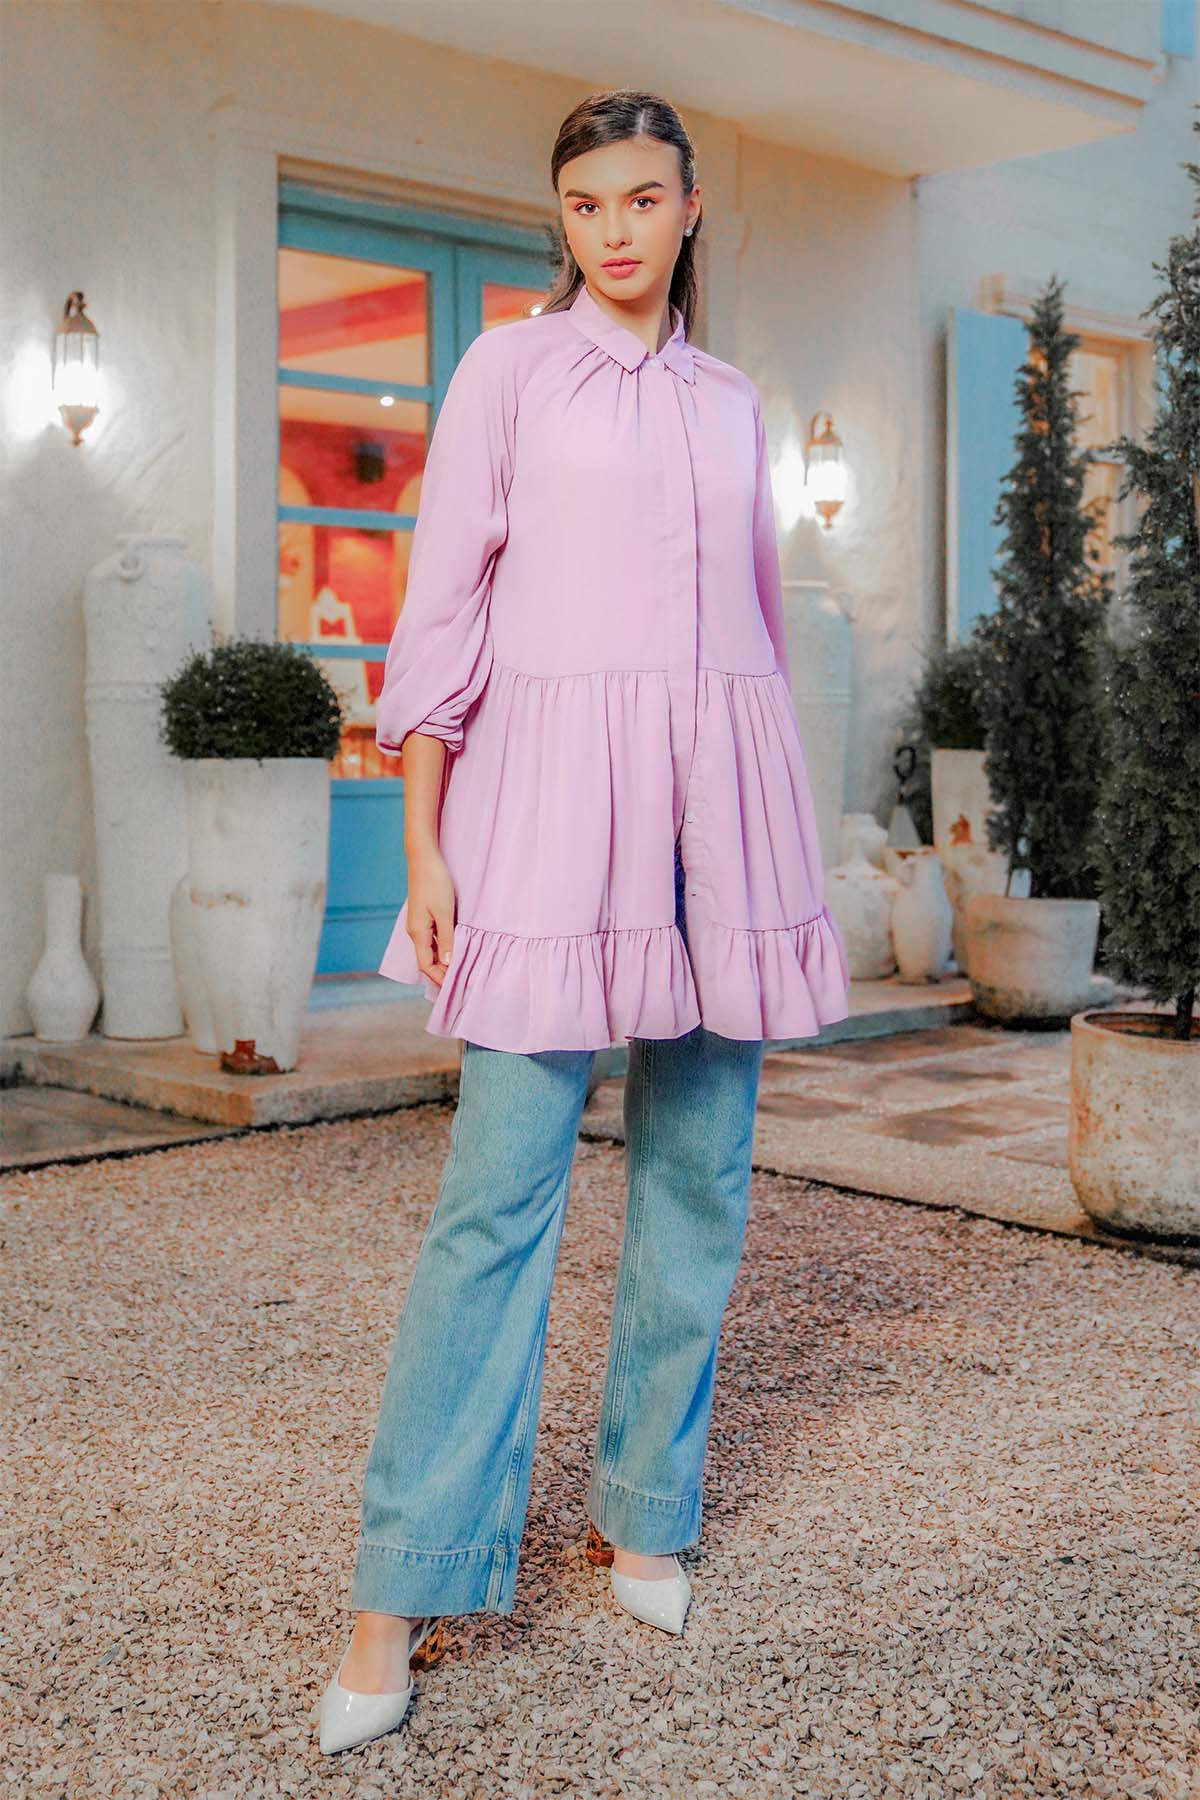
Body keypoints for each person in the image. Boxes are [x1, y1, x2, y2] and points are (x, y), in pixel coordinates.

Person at [318, 87, 849, 1757]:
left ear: (690, 210)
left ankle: (645, 1510)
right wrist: (426, 842)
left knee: (701, 1169)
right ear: (562, 221)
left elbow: (756, 626)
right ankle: (397, 1587)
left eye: (642, 198)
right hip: (547, 806)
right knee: (496, 1198)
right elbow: (443, 616)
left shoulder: (732, 402)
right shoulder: (507, 374)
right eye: (585, 203)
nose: (615, 228)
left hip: (719, 809)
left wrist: (771, 820)